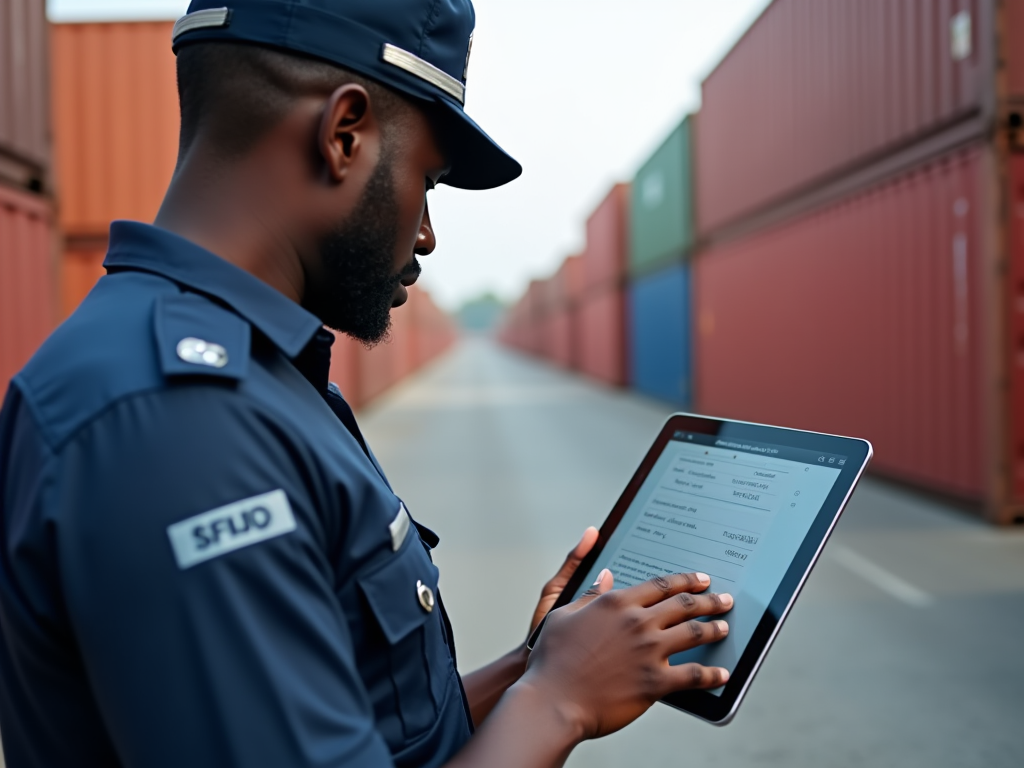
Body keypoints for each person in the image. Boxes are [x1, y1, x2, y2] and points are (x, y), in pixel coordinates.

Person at [0, 1, 734, 766]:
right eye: (428, 181)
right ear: (344, 134)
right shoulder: (178, 425)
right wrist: (560, 703)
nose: (425, 234)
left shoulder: (253, 379)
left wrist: (536, 665)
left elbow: (360, 725)